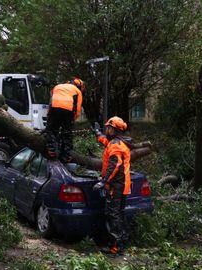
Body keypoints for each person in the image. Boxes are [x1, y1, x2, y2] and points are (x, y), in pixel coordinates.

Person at [92, 116, 133, 256]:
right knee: (119, 214)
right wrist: (98, 134)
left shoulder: (116, 144)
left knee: (112, 215)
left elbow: (115, 165)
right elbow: (107, 143)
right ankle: (121, 244)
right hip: (123, 184)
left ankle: (114, 247)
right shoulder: (119, 142)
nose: (106, 129)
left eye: (108, 128)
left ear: (114, 129)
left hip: (116, 185)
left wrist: (104, 182)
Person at [45, 78, 85, 162]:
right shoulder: (78, 91)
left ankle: (52, 150)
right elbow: (77, 108)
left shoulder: (57, 86)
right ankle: (66, 155)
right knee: (66, 132)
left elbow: (51, 101)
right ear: (79, 86)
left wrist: (49, 115)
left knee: (51, 129)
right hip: (68, 109)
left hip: (54, 107)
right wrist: (72, 120)